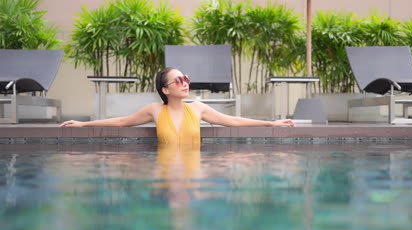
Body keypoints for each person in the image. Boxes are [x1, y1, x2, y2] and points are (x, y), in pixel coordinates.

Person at [60, 67, 295, 144]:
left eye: (186, 79)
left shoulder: (198, 108)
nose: (185, 84)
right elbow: (122, 121)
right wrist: (83, 124)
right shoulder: (155, 110)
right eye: (179, 81)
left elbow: (233, 120)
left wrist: (272, 122)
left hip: (195, 171)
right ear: (165, 90)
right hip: (164, 170)